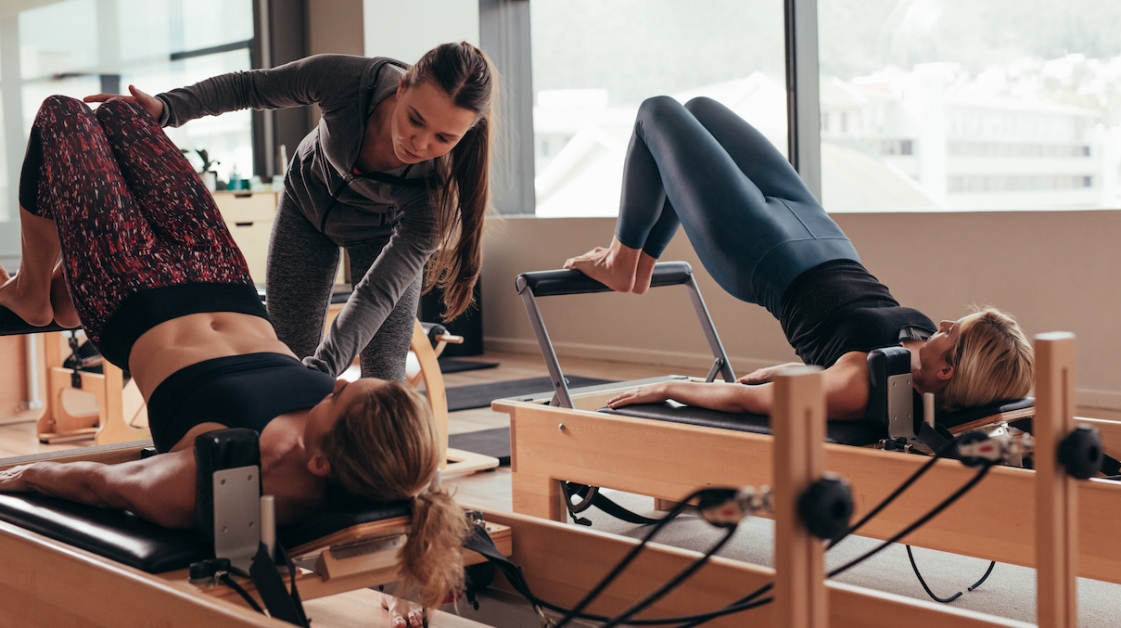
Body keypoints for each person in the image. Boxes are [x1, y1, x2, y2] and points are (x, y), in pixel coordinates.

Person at [0, 95, 466, 622]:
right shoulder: (372, 444)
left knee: (62, 114)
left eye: (336, 397)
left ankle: (35, 291)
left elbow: (99, 485)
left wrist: (24, 475)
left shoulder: (227, 474)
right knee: (120, 115)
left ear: (319, 462)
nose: (333, 383)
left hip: (132, 294)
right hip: (225, 276)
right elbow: (411, 476)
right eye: (348, 384)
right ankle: (57, 290)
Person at [565, 96, 1034, 419]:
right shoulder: (916, 357)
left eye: (953, 333)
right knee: (700, 113)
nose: (946, 323)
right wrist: (796, 370)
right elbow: (826, 364)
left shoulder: (861, 387)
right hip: (820, 233)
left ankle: (623, 263)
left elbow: (749, 402)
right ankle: (637, 266)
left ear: (947, 371)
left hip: (761, 254)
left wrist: (670, 388)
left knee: (657, 113)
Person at [84, 42, 496, 382]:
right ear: (403, 86)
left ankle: (388, 479)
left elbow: (374, 295)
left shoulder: (435, 192)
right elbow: (250, 88)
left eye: (444, 137)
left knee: (383, 377)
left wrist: (323, 371)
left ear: (465, 133)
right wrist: (168, 108)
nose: (419, 144)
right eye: (415, 120)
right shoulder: (349, 81)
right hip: (305, 208)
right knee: (285, 353)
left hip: (382, 234)